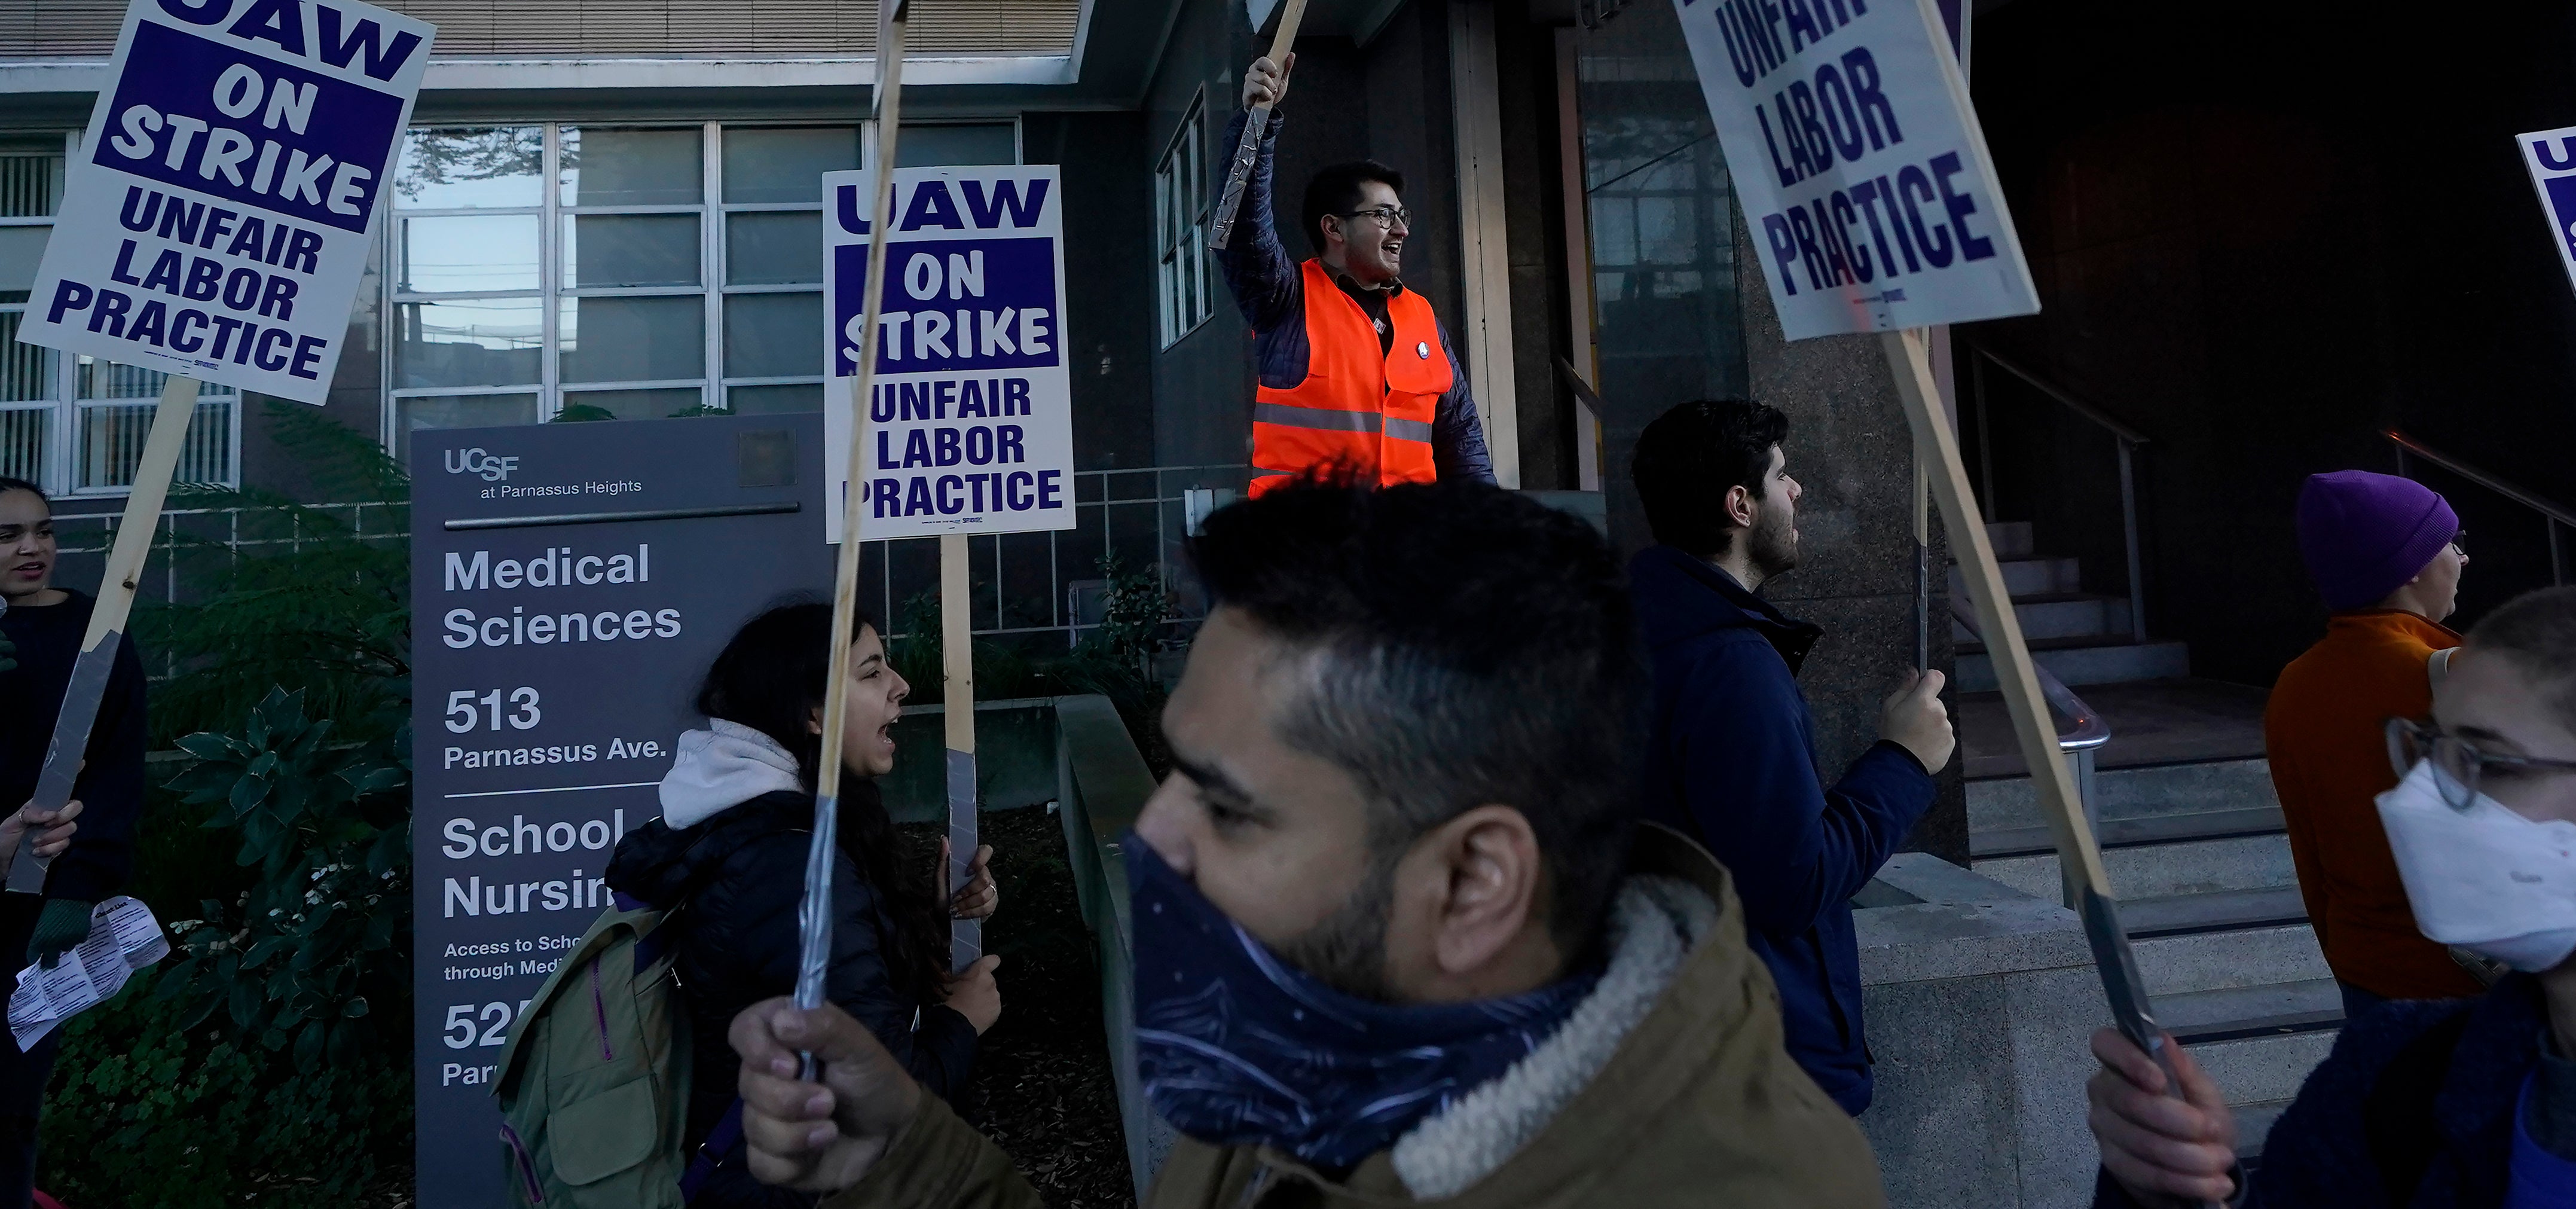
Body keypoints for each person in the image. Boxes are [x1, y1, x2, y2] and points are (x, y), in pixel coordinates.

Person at [726, 480, 1890, 1207]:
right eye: (1173, 773)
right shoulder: (1306, 1057)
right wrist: (907, 1165)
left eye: (1229, 807)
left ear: (1475, 883)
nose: (1152, 841)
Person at [2089, 571, 2576, 1206]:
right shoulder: (2394, 1081)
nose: (2420, 799)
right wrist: (2174, 1196)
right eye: (2429, 748)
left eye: (2487, 761)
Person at [606, 602, 1001, 1208]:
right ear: (815, 713)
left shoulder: (754, 831)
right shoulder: (788, 868)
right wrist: (963, 1020)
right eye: (871, 673)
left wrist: (931, 916)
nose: (900, 686)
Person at [1625, 401, 1952, 1119]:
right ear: (1740, 505)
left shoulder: (1640, 631)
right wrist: (1905, 759)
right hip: (1755, 1073)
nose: (1798, 490)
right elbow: (1793, 884)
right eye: (1781, 475)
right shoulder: (1729, 664)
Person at [1218, 51, 1492, 493]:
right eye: (1383, 215)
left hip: (1405, 548)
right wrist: (1256, 124)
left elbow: (1460, 436)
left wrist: (1489, 528)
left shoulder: (1422, 319)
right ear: (1334, 227)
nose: (1401, 229)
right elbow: (1241, 226)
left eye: (1402, 215)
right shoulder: (1284, 300)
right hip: (1308, 550)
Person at [2264, 470, 2481, 1015]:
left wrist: (2345, 955)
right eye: (2451, 544)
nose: (2462, 559)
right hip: (2473, 978)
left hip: (2364, 969)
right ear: (2411, 566)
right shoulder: (2462, 679)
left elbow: (2309, 851)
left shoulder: (2295, 684)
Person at [0, 477, 145, 1209]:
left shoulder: (97, 634)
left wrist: (80, 885)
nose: (33, 548)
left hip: (34, 903)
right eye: (8, 535)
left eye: (44, 531)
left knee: (12, 1090)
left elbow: (118, 766)